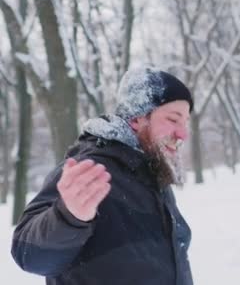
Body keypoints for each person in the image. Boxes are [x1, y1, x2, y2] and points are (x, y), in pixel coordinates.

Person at [12, 66, 195, 285]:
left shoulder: (153, 175)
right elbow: (28, 254)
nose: (183, 134)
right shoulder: (90, 169)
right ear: (137, 119)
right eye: (173, 120)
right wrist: (68, 218)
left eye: (185, 123)